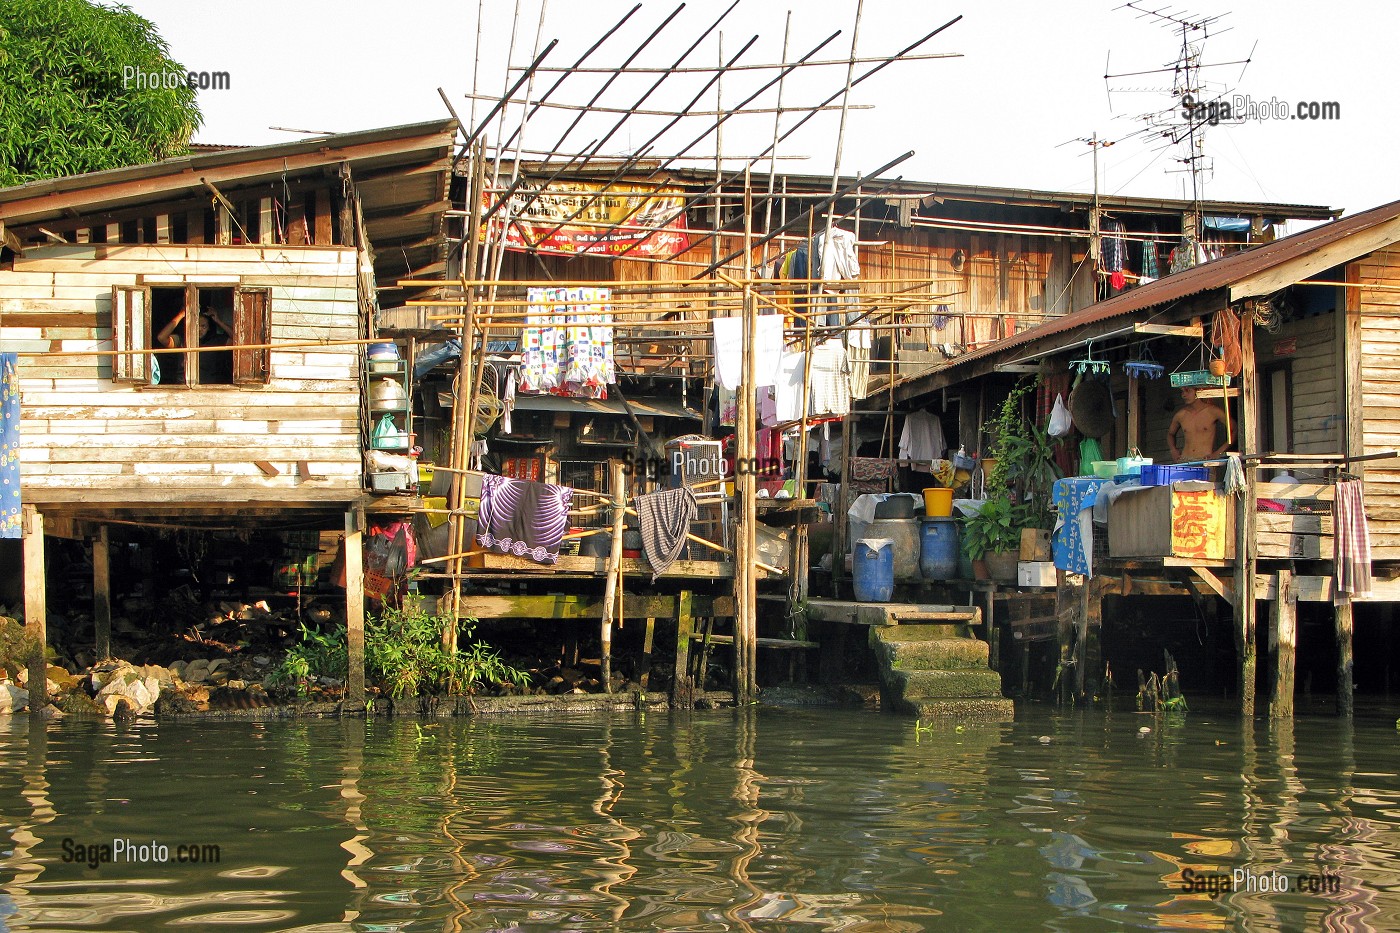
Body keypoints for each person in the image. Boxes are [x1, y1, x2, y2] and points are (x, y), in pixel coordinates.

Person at [155, 304, 234, 384]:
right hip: (184, 387)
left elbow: (238, 340)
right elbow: (161, 337)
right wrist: (181, 315)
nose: (200, 330)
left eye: (203, 326)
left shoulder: (216, 340)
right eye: (197, 326)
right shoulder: (182, 340)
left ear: (209, 327)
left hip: (208, 388)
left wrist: (218, 321)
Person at [1167, 386, 1228, 462]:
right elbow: (1170, 434)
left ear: (1198, 391)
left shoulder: (1213, 411)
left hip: (1205, 459)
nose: (1184, 395)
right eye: (1182, 392)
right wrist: (1173, 450)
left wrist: (1218, 452)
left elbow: (1234, 430)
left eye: (1187, 390)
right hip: (1185, 459)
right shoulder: (1180, 415)